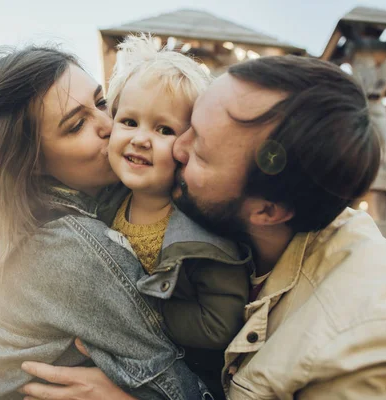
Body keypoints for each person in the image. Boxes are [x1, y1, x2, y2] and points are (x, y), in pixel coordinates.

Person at [19, 55, 386, 399]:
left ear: (267, 211)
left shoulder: (373, 348)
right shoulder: (226, 217)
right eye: (189, 125)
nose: (175, 148)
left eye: (198, 149)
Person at [0, 44, 211, 400]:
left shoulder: (9, 232)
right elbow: (186, 393)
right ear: (32, 162)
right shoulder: (69, 249)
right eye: (77, 125)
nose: (111, 125)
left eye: (102, 101)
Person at [106, 35, 251, 399]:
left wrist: (140, 313)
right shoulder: (105, 204)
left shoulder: (204, 233)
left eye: (164, 129)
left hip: (185, 376)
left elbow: (220, 323)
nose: (140, 139)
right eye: (129, 121)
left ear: (191, 145)